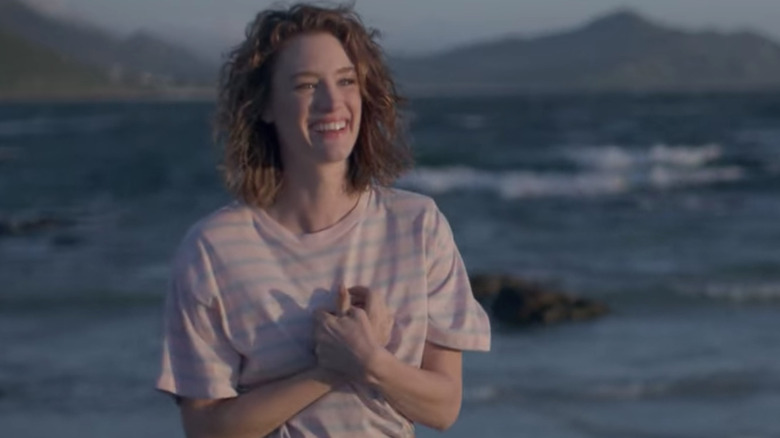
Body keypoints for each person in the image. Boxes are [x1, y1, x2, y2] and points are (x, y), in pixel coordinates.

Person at [155, 3, 491, 437]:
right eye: (306, 85)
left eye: (346, 81)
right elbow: (206, 430)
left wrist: (371, 361)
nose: (333, 102)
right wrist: (328, 370)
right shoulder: (213, 249)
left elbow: (444, 408)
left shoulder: (417, 226)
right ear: (265, 107)